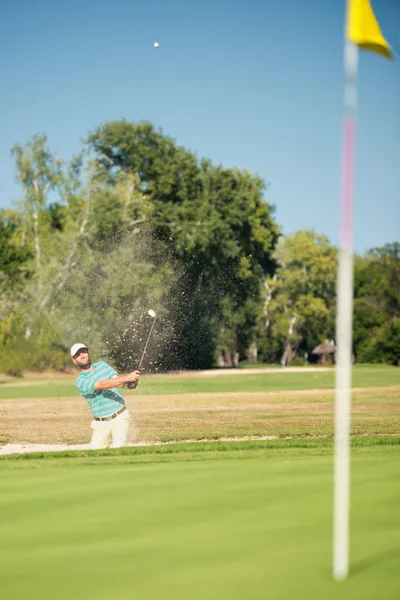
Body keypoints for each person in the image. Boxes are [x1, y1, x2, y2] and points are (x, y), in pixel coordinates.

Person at [71, 343, 140, 450]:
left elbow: (117, 381)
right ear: (74, 360)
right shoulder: (80, 381)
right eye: (78, 354)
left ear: (88, 353)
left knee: (119, 448)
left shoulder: (103, 365)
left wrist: (129, 384)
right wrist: (126, 378)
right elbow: (103, 384)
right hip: (100, 422)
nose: (82, 355)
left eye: (84, 351)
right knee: (96, 451)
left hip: (120, 415)